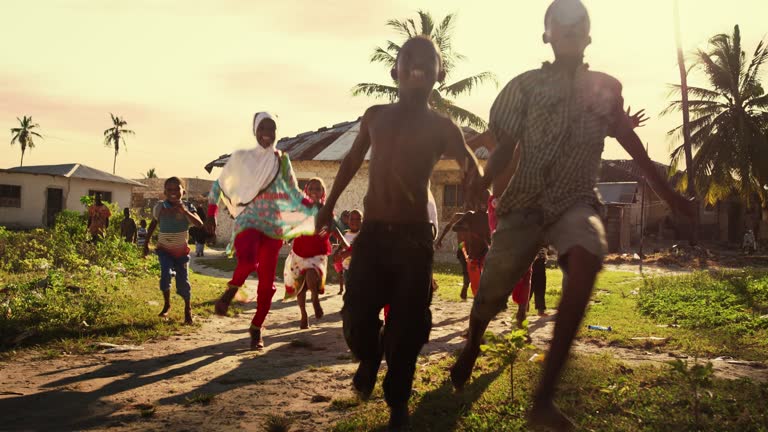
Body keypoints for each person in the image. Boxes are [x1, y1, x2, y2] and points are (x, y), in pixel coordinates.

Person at [449, 2, 696, 430]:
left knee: (587, 255)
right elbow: (505, 145)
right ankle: (472, 343)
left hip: (574, 201)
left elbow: (630, 142)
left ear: (588, 35)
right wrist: (484, 181)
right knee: (489, 294)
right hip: (524, 203)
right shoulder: (524, 88)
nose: (567, 31)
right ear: (547, 35)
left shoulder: (605, 89)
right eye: (559, 25)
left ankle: (541, 402)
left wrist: (669, 194)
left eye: (576, 24)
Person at [315, 36, 482, 431]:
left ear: (439, 75)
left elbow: (468, 161)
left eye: (429, 60)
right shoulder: (376, 116)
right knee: (356, 314)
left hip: (414, 241)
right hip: (372, 236)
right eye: (410, 58)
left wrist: (479, 195)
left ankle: (398, 403)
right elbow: (353, 159)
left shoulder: (443, 126)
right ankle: (371, 357)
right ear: (395, 71)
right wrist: (328, 204)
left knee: (408, 326)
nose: (419, 64)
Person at [205, 112, 317, 350]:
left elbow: (294, 192)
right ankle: (232, 289)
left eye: (272, 128)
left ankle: (256, 328)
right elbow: (219, 185)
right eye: (262, 127)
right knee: (247, 261)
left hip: (273, 226)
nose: (267, 132)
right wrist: (211, 214)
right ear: (254, 130)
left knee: (267, 283)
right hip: (248, 220)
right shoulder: (242, 158)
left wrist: (313, 206)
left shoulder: (281, 160)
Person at [284, 178, 346, 329]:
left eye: (318, 189)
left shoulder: (326, 210)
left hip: (317, 251)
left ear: (323, 192)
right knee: (300, 287)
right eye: (311, 188)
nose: (314, 191)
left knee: (312, 273)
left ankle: (315, 299)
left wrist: (345, 243)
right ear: (306, 190)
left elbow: (334, 228)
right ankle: (304, 315)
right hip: (300, 249)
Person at [143, 177, 203, 325]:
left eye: (177, 189)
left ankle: (188, 310)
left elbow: (199, 223)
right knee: (165, 275)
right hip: (164, 250)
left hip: (181, 253)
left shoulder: (188, 207)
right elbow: (153, 225)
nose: (173, 192)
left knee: (183, 283)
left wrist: (184, 212)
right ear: (165, 192)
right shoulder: (160, 207)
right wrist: (146, 243)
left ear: (183, 191)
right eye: (169, 190)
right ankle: (167, 304)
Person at [435, 213, 471, 300]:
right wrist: (440, 239)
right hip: (462, 246)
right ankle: (465, 286)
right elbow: (448, 226)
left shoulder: (474, 216)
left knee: (471, 269)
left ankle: (467, 286)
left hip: (473, 246)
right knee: (465, 268)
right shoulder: (458, 216)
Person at [333, 209, 363, 296]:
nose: (355, 221)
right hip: (347, 269)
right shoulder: (346, 234)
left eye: (358, 219)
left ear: (363, 221)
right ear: (348, 221)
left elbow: (359, 249)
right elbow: (341, 246)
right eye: (352, 219)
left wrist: (346, 254)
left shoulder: (363, 234)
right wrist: (337, 253)